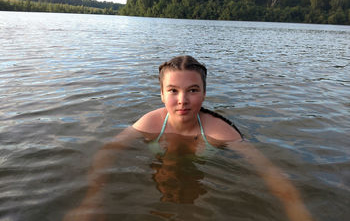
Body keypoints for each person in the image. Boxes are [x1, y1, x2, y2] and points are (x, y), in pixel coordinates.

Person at [64, 55, 314, 221]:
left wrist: (295, 207)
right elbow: (109, 150)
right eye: (173, 91)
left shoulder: (220, 131)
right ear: (162, 94)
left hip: (199, 177)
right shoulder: (150, 122)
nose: (183, 99)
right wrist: (93, 196)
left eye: (192, 90)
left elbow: (266, 169)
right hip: (162, 177)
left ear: (204, 94)